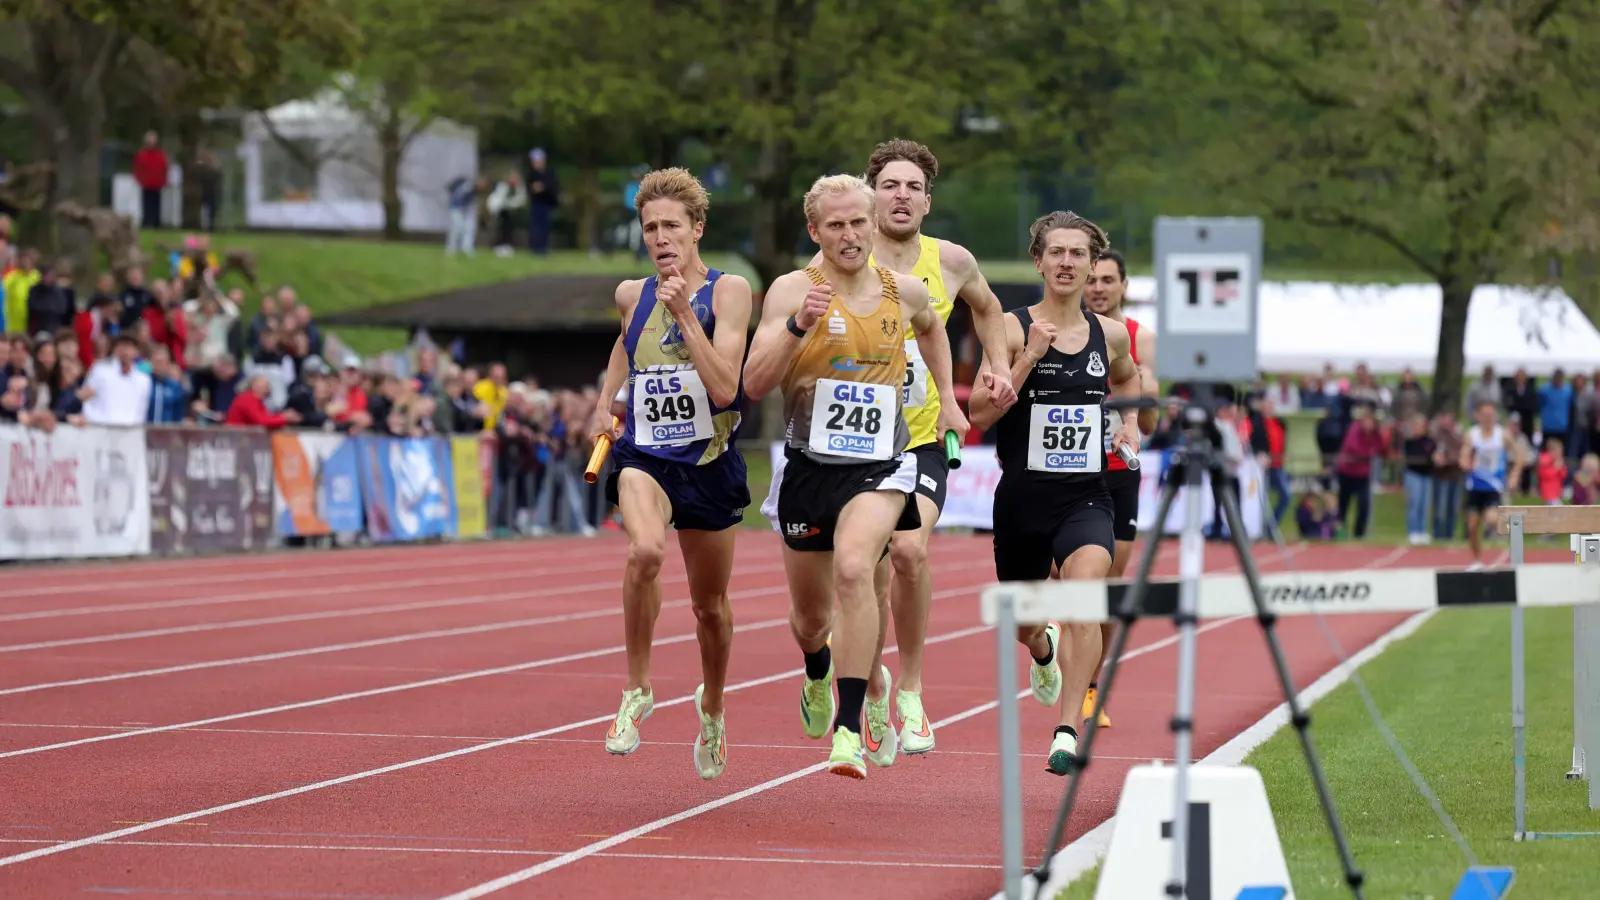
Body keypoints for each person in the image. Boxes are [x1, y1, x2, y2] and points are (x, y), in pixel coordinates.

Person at [801, 139, 1017, 755]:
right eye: (889, 186)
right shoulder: (833, 263)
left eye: (912, 187)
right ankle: (869, 681)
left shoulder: (949, 261)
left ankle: (912, 691)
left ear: (927, 201)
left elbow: (990, 307)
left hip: (919, 436)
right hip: (849, 443)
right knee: (857, 577)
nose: (901, 196)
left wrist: (996, 365)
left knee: (908, 553)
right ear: (870, 199)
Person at [746, 173, 958, 779]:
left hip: (882, 465)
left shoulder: (906, 291)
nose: (849, 234)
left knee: (855, 568)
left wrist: (946, 398)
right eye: (834, 225)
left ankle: (848, 728)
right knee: (811, 621)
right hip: (809, 467)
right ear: (814, 231)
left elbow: (934, 329)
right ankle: (818, 666)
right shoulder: (793, 290)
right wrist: (795, 329)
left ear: (872, 225)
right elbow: (756, 384)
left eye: (858, 222)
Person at [589, 167, 754, 780]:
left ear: (697, 229)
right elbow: (623, 350)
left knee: (709, 608)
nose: (660, 239)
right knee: (645, 552)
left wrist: (685, 314)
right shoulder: (631, 294)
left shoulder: (729, 292)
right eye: (650, 228)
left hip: (709, 465)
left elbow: (725, 386)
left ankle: (711, 703)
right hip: (646, 458)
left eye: (672, 227)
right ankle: (637, 688)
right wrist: (604, 406)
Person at [967, 210, 1143, 776]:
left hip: (1086, 496)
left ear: (1093, 265)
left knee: (1083, 596)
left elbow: (1127, 376)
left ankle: (1067, 730)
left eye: (1078, 254)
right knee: (1025, 620)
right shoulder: (1013, 328)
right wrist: (1027, 360)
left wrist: (1130, 424)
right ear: (1038, 261)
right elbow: (979, 412)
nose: (1067, 262)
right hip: (1022, 498)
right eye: (1057, 253)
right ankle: (1042, 649)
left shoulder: (1110, 335)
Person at [1079, 246, 1158, 729]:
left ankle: (1092, 687)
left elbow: (1149, 421)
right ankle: (1056, 656)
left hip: (1118, 467)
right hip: (1066, 466)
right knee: (1063, 577)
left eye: (1109, 280)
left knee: (1107, 588)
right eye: (1093, 279)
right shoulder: (1061, 329)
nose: (1099, 288)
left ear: (1124, 286)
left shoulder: (1139, 339)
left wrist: (1137, 390)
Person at [1459, 399, 1523, 569]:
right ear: (1477, 416)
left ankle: (1515, 532)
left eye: (1491, 415)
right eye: (1485, 415)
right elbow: (1464, 454)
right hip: (1474, 487)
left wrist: (1514, 475)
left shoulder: (1502, 434)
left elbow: (1520, 456)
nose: (1488, 418)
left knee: (1491, 519)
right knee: (1472, 526)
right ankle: (1477, 560)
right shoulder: (1471, 434)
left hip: (1493, 487)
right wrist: (1464, 462)